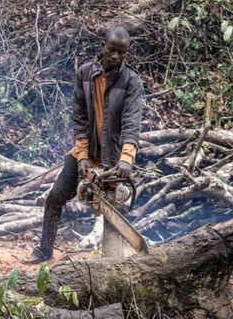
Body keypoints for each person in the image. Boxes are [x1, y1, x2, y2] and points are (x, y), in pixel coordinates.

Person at [26, 26, 144, 264]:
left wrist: (127, 158)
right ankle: (44, 250)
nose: (115, 57)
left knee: (112, 211)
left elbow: (132, 123)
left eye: (121, 53)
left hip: (113, 158)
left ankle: (112, 264)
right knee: (56, 195)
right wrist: (81, 156)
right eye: (112, 50)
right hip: (87, 150)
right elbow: (79, 118)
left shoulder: (132, 82)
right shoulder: (85, 74)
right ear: (103, 46)